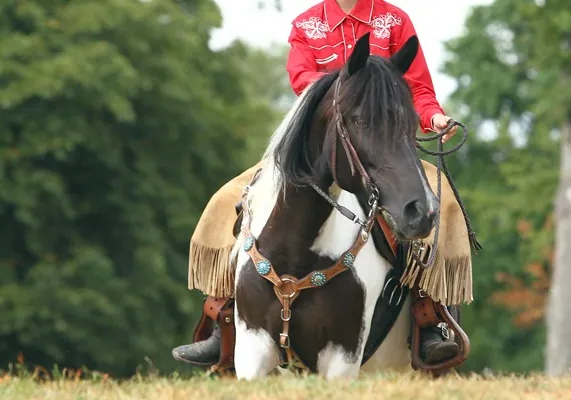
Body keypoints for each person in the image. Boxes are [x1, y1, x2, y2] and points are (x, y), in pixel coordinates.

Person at [172, 0, 474, 370]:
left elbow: (418, 88)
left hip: (386, 151)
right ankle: (223, 315)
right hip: (317, 150)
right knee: (226, 201)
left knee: (438, 203)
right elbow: (303, 83)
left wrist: (434, 116)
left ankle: (428, 316)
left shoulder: (395, 21)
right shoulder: (307, 25)